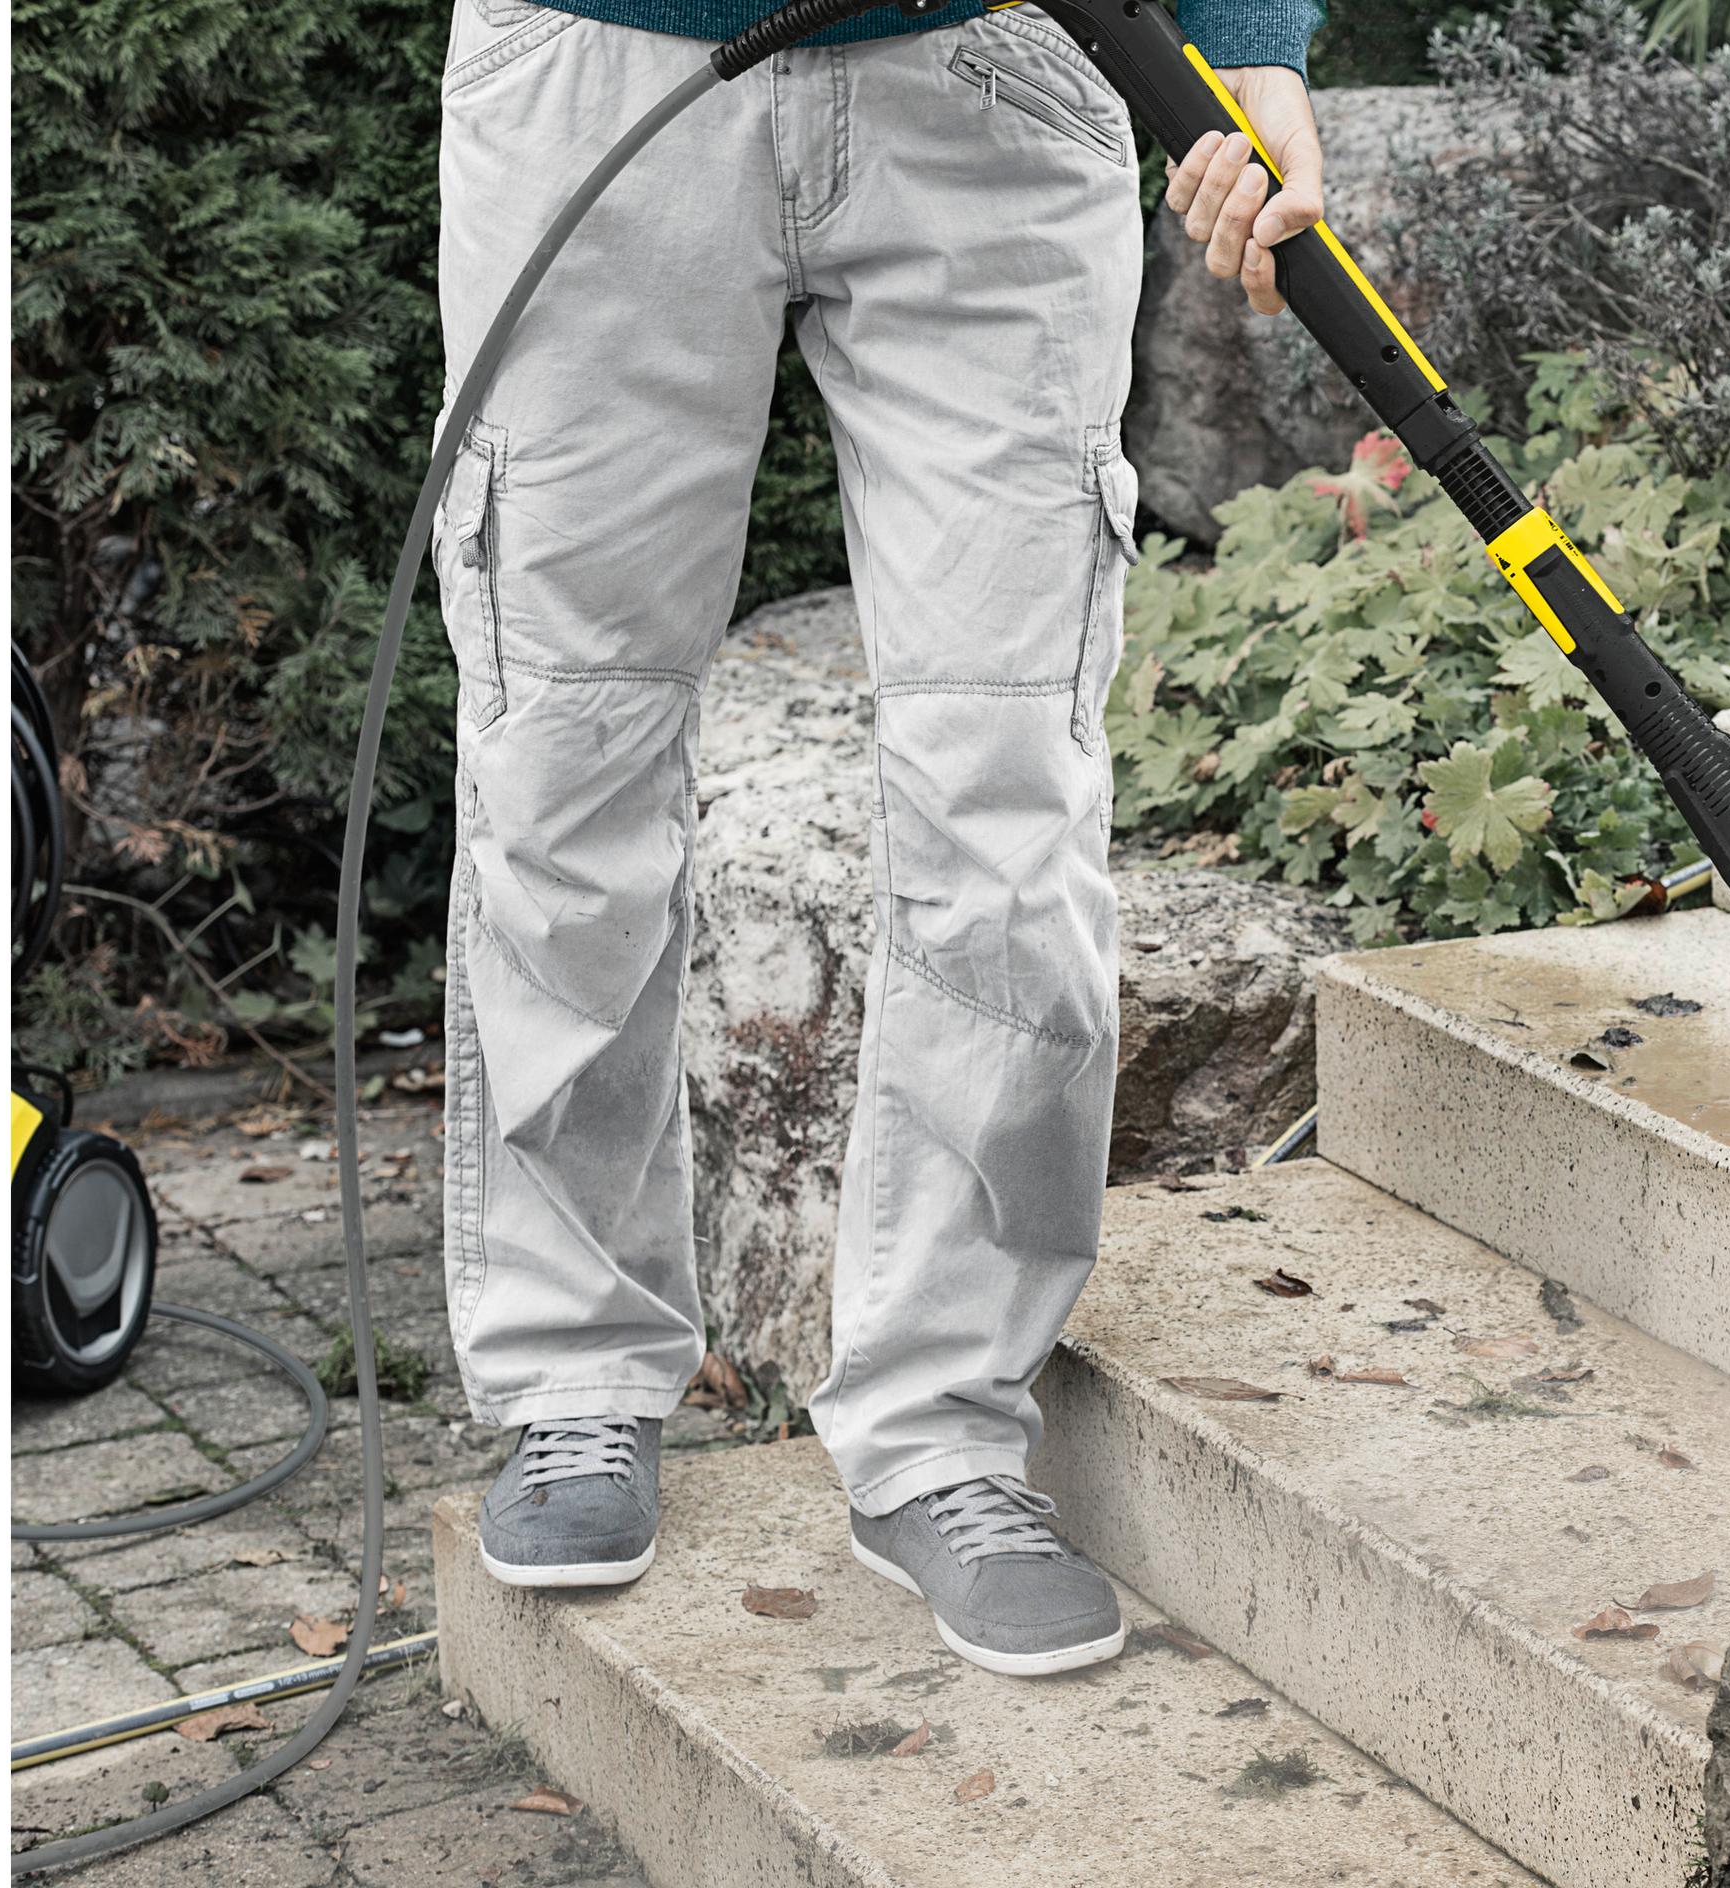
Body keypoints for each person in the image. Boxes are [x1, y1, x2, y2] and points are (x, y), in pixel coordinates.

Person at [433, 0, 1325, 1677]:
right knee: (565, 758)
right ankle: (574, 1370)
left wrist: (1250, 35)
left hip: (996, 70)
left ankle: (945, 1432)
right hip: (598, 59)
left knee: (1009, 793)